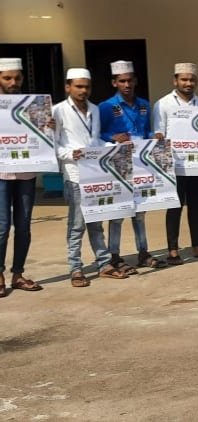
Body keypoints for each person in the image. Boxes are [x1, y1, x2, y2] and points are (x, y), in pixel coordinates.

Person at [54, 68, 128, 287]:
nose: (83, 90)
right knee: (77, 224)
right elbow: (53, 144)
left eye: (86, 86)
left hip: (95, 172)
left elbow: (95, 141)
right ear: (68, 87)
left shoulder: (94, 109)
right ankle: (75, 268)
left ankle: (104, 264)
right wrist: (71, 154)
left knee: (96, 222)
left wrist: (114, 146)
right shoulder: (58, 111)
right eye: (78, 86)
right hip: (75, 174)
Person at [152, 62, 198, 264]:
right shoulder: (163, 104)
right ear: (175, 81)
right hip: (174, 165)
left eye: (191, 80)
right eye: (184, 79)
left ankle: (197, 245)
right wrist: (158, 136)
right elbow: (158, 131)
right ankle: (173, 249)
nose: (188, 83)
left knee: (196, 206)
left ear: (196, 81)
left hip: (196, 164)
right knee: (174, 207)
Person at [98, 60, 165, 272]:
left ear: (135, 81)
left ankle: (143, 252)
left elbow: (144, 132)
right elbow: (97, 134)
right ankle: (114, 256)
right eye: (122, 81)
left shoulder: (144, 105)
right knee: (118, 212)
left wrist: (154, 136)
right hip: (117, 164)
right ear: (114, 83)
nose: (126, 85)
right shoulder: (106, 107)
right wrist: (112, 137)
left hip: (141, 163)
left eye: (129, 80)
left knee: (140, 211)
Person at [0, 58, 46, 295]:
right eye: (7, 78)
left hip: (26, 172)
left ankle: (18, 274)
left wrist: (48, 126)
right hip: (1, 174)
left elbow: (41, 137)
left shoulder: (33, 106)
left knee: (24, 226)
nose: (13, 82)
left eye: (17, 78)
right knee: (2, 226)